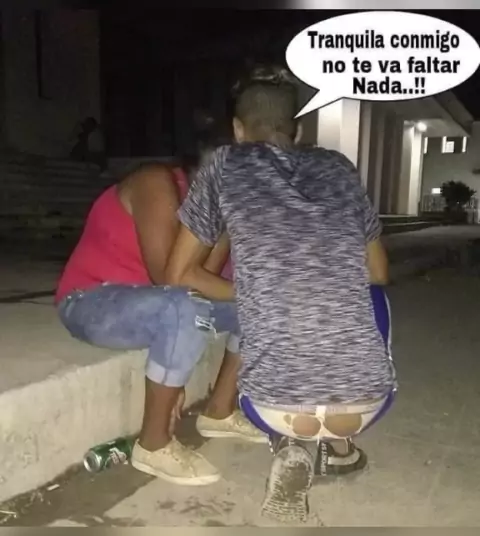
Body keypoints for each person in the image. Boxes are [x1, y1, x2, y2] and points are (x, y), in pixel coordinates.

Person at [166, 65, 397, 521]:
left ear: (238, 129)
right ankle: (340, 444)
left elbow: (179, 273)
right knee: (370, 296)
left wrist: (253, 293)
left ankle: (290, 443)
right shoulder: (339, 167)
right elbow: (379, 271)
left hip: (270, 406)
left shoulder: (225, 165)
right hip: (367, 401)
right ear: (298, 130)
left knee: (275, 311)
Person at [55, 124, 267, 487]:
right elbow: (171, 280)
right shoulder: (156, 182)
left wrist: (224, 226)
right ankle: (153, 443)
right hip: (91, 301)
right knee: (184, 306)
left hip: (155, 305)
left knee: (258, 310)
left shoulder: (210, 211)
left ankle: (219, 411)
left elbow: (201, 278)